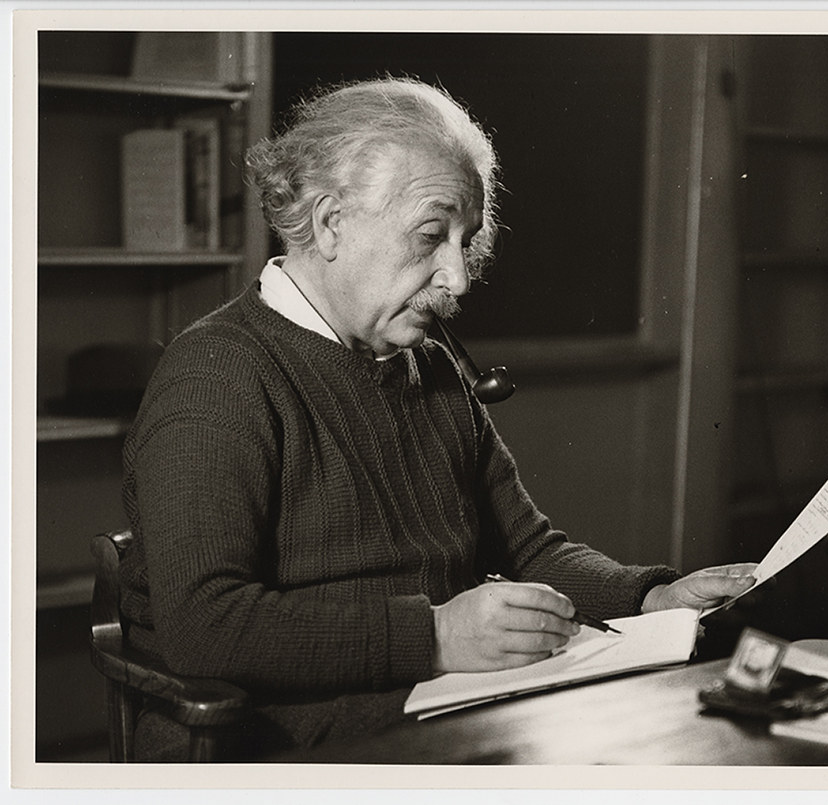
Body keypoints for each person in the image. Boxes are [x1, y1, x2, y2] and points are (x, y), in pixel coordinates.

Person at [119, 76, 756, 760]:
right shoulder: (218, 375)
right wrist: (438, 636)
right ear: (332, 222)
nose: (457, 277)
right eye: (430, 236)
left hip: (438, 710)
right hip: (284, 740)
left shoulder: (431, 365)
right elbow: (204, 626)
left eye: (466, 241)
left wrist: (651, 596)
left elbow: (530, 549)